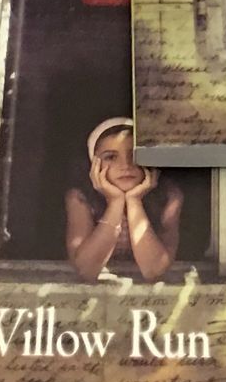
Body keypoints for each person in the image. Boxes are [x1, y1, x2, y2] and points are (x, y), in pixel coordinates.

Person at [65, 118, 183, 283]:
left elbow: (154, 270)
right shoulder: (80, 198)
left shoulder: (169, 196)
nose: (126, 165)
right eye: (111, 157)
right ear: (95, 164)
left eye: (134, 155)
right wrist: (115, 202)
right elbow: (87, 270)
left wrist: (134, 201)